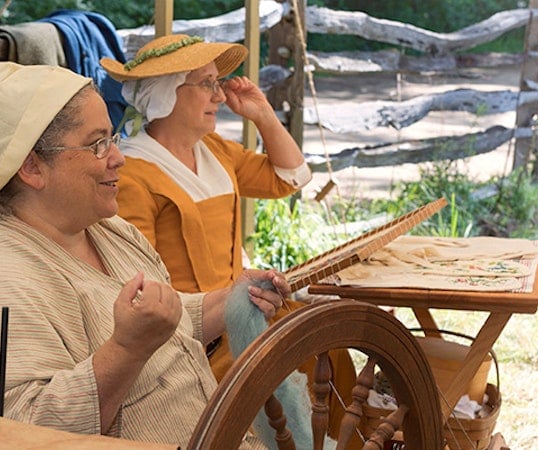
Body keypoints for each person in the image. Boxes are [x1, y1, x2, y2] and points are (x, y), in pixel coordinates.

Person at [0, 61, 290, 448]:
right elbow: (21, 435)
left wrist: (230, 301)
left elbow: (164, 318)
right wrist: (127, 350)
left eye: (112, 138)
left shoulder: (107, 230)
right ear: (31, 167)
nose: (118, 157)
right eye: (97, 144)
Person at [101, 35, 358, 447]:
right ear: (166, 94)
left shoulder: (215, 151)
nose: (219, 96)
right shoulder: (133, 173)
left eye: (217, 83)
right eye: (206, 84)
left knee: (330, 351)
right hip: (196, 341)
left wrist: (263, 115)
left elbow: (291, 177)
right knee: (273, 376)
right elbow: (136, 283)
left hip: (250, 318)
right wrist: (222, 313)